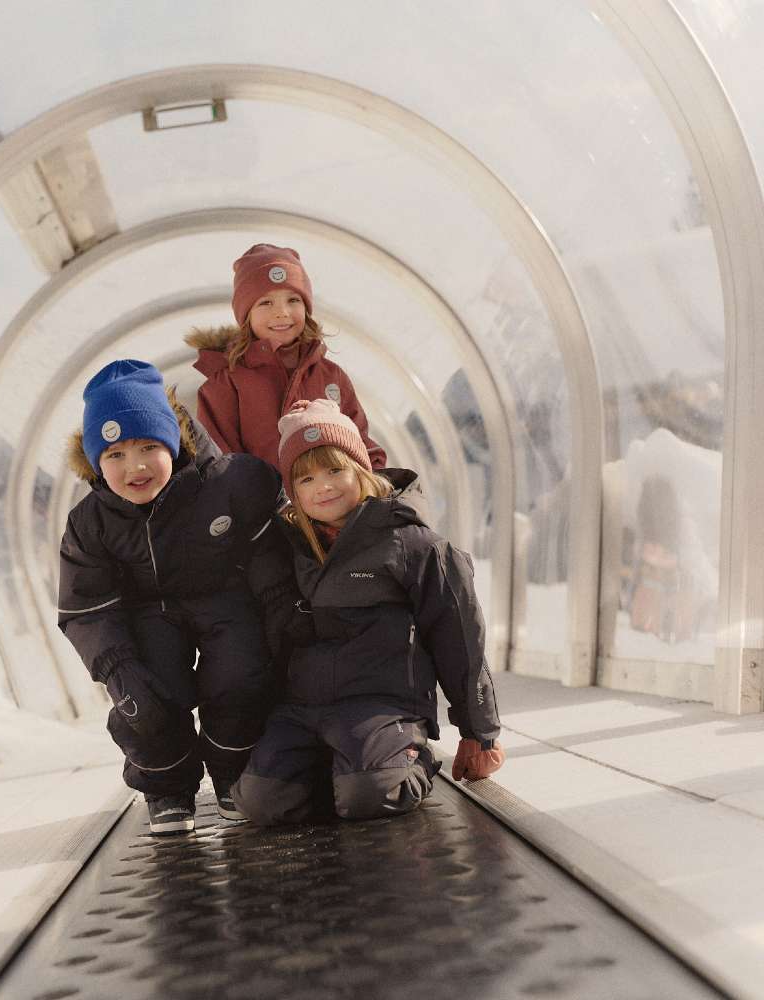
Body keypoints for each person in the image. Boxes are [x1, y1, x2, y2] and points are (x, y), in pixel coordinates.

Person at [233, 399, 504, 825]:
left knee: (372, 795)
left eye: (335, 470)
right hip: (303, 708)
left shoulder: (412, 544)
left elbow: (460, 639)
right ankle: (341, 771)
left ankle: (405, 761)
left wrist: (479, 733)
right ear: (293, 491)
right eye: (306, 478)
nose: (323, 486)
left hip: (382, 705)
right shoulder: (288, 548)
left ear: (361, 469)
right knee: (261, 802)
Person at [57, 360, 296, 835]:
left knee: (242, 677)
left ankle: (232, 772)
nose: (136, 467)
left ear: (176, 442)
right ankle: (167, 786)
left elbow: (271, 550)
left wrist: (281, 617)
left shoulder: (229, 484)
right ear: (95, 463)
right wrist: (118, 669)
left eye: (149, 447)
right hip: (148, 614)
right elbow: (85, 606)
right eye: (116, 455)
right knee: (145, 698)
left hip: (225, 599)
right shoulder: (92, 523)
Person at [184, 243, 387, 471]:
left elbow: (360, 443)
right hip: (261, 504)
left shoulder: (331, 376)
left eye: (293, 300)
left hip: (333, 501)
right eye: (265, 302)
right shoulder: (226, 384)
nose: (282, 312)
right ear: (246, 316)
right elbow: (220, 462)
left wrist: (377, 485)